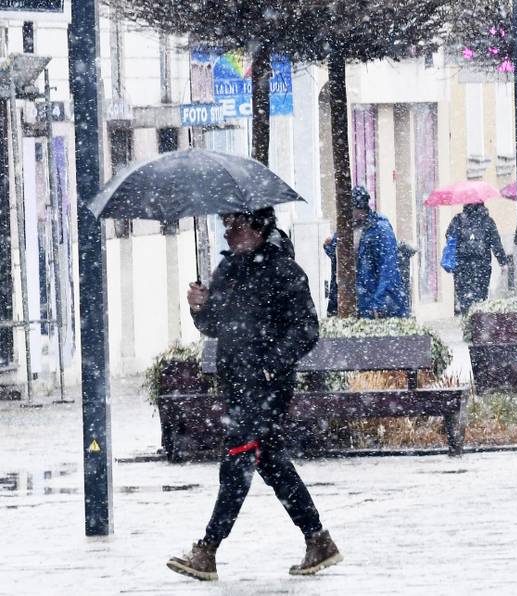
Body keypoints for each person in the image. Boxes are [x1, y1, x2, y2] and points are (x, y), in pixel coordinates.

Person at [168, 207, 342, 581]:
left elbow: (307, 329)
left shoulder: (284, 271)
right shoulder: (229, 270)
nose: (227, 232)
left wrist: (271, 364)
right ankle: (318, 539)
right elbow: (215, 325)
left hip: (267, 388)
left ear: (256, 227)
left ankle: (208, 549)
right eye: (224, 224)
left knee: (237, 458)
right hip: (237, 384)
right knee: (271, 462)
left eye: (233, 224)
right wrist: (199, 308)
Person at [351, 186, 410, 318]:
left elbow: (388, 267)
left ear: (358, 208)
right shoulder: (352, 228)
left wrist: (379, 301)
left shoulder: (379, 229)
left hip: (377, 298)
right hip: (364, 297)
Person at [445, 202, 509, 314]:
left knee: (464, 297)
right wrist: (503, 262)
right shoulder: (488, 221)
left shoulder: (458, 219)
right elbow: (496, 243)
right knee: (480, 297)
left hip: (462, 266)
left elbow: (449, 236)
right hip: (482, 266)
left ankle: (467, 321)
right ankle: (478, 324)